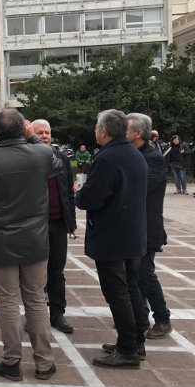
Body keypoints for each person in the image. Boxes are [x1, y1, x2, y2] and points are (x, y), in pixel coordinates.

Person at [0, 110, 61, 382]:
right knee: (36, 299)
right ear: (23, 130)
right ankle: (44, 362)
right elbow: (58, 167)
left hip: (0, 240)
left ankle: (12, 360)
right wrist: (32, 139)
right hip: (35, 240)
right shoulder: (40, 154)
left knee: (7, 300)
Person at [75, 109, 149, 369]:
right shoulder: (134, 154)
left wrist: (79, 192)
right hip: (132, 235)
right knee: (131, 289)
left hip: (112, 237)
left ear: (103, 131)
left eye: (96, 126)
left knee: (118, 293)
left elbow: (92, 198)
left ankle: (128, 349)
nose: (95, 130)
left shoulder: (107, 159)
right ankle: (136, 341)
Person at [127, 114, 172, 339]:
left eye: (125, 129)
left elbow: (140, 187)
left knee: (145, 273)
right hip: (133, 225)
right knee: (133, 274)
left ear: (138, 133)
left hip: (147, 226)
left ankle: (162, 318)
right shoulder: (133, 154)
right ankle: (140, 316)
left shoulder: (152, 158)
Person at [31, 119, 77, 335]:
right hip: (33, 225)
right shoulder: (27, 157)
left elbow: (68, 190)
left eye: (47, 132)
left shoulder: (60, 158)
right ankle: (34, 316)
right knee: (33, 274)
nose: (44, 136)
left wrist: (71, 222)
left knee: (56, 271)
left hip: (58, 224)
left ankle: (57, 312)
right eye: (39, 132)